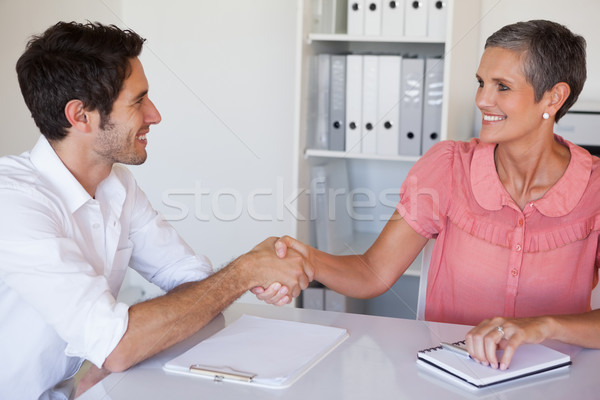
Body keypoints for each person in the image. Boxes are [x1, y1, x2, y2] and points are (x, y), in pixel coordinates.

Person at [259, 19, 600, 371]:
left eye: (502, 87)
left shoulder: (595, 188)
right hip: (450, 374)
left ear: (554, 97)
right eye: (481, 83)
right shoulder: (448, 166)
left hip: (560, 380)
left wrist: (544, 326)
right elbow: (373, 270)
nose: (482, 100)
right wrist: (306, 259)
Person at [0, 21, 308, 400]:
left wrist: (120, 345)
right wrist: (243, 273)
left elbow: (189, 278)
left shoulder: (117, 185)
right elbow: (121, 343)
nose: (154, 115)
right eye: (137, 101)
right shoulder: (13, 202)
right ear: (80, 116)